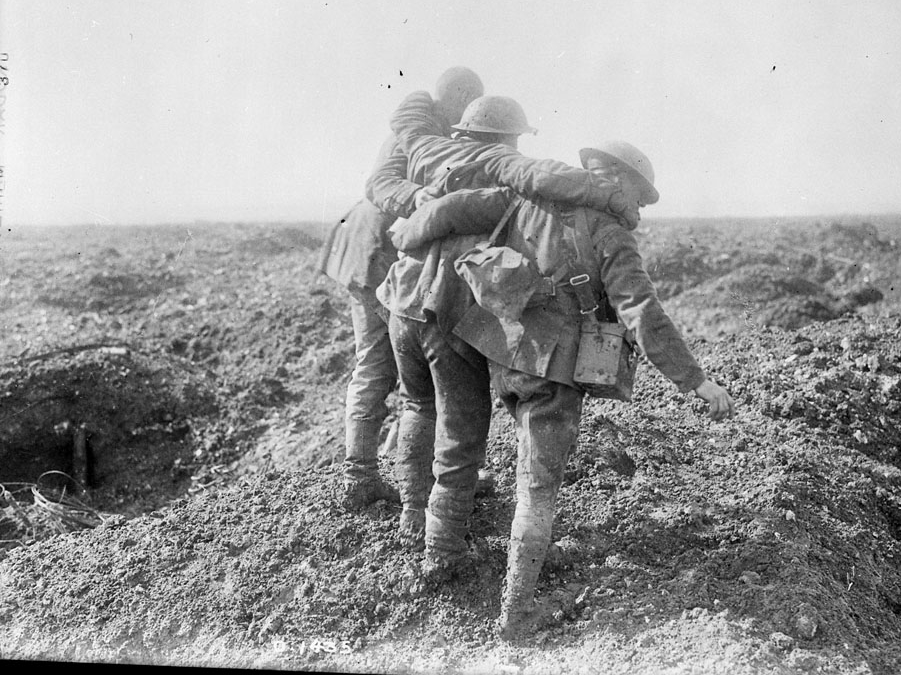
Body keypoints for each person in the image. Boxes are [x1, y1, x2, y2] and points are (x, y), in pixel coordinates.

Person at [389, 139, 736, 639]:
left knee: (497, 458)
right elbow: (642, 314)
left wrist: (406, 230)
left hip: (503, 352)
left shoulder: (526, 199)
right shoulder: (612, 233)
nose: (638, 208)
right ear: (620, 183)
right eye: (639, 196)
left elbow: (452, 210)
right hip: (555, 371)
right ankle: (516, 613)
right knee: (538, 486)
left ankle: (439, 558)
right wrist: (696, 381)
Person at [366, 90, 639, 568]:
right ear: (509, 138)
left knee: (416, 405)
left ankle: (414, 516)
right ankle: (443, 550)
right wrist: (614, 199)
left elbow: (409, 134)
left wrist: (406, 228)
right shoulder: (499, 165)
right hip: (444, 310)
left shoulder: (431, 150)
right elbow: (544, 177)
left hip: (399, 302)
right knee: (461, 429)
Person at [315, 67, 484, 510]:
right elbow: (379, 184)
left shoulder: (435, 130)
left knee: (405, 365)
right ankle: (361, 476)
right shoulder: (411, 134)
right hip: (374, 254)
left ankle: (408, 472)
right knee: (382, 363)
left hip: (384, 253)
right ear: (456, 98)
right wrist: (418, 199)